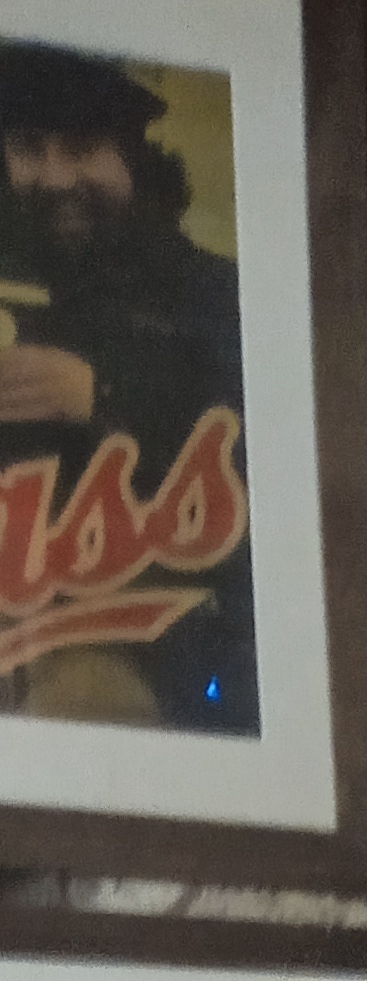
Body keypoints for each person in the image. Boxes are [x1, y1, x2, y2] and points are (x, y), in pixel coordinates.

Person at [0, 38, 255, 727]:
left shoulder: (216, 294)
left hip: (156, 656)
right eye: (28, 148)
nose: (55, 177)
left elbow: (275, 457)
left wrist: (101, 392)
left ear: (135, 156)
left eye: (82, 147)